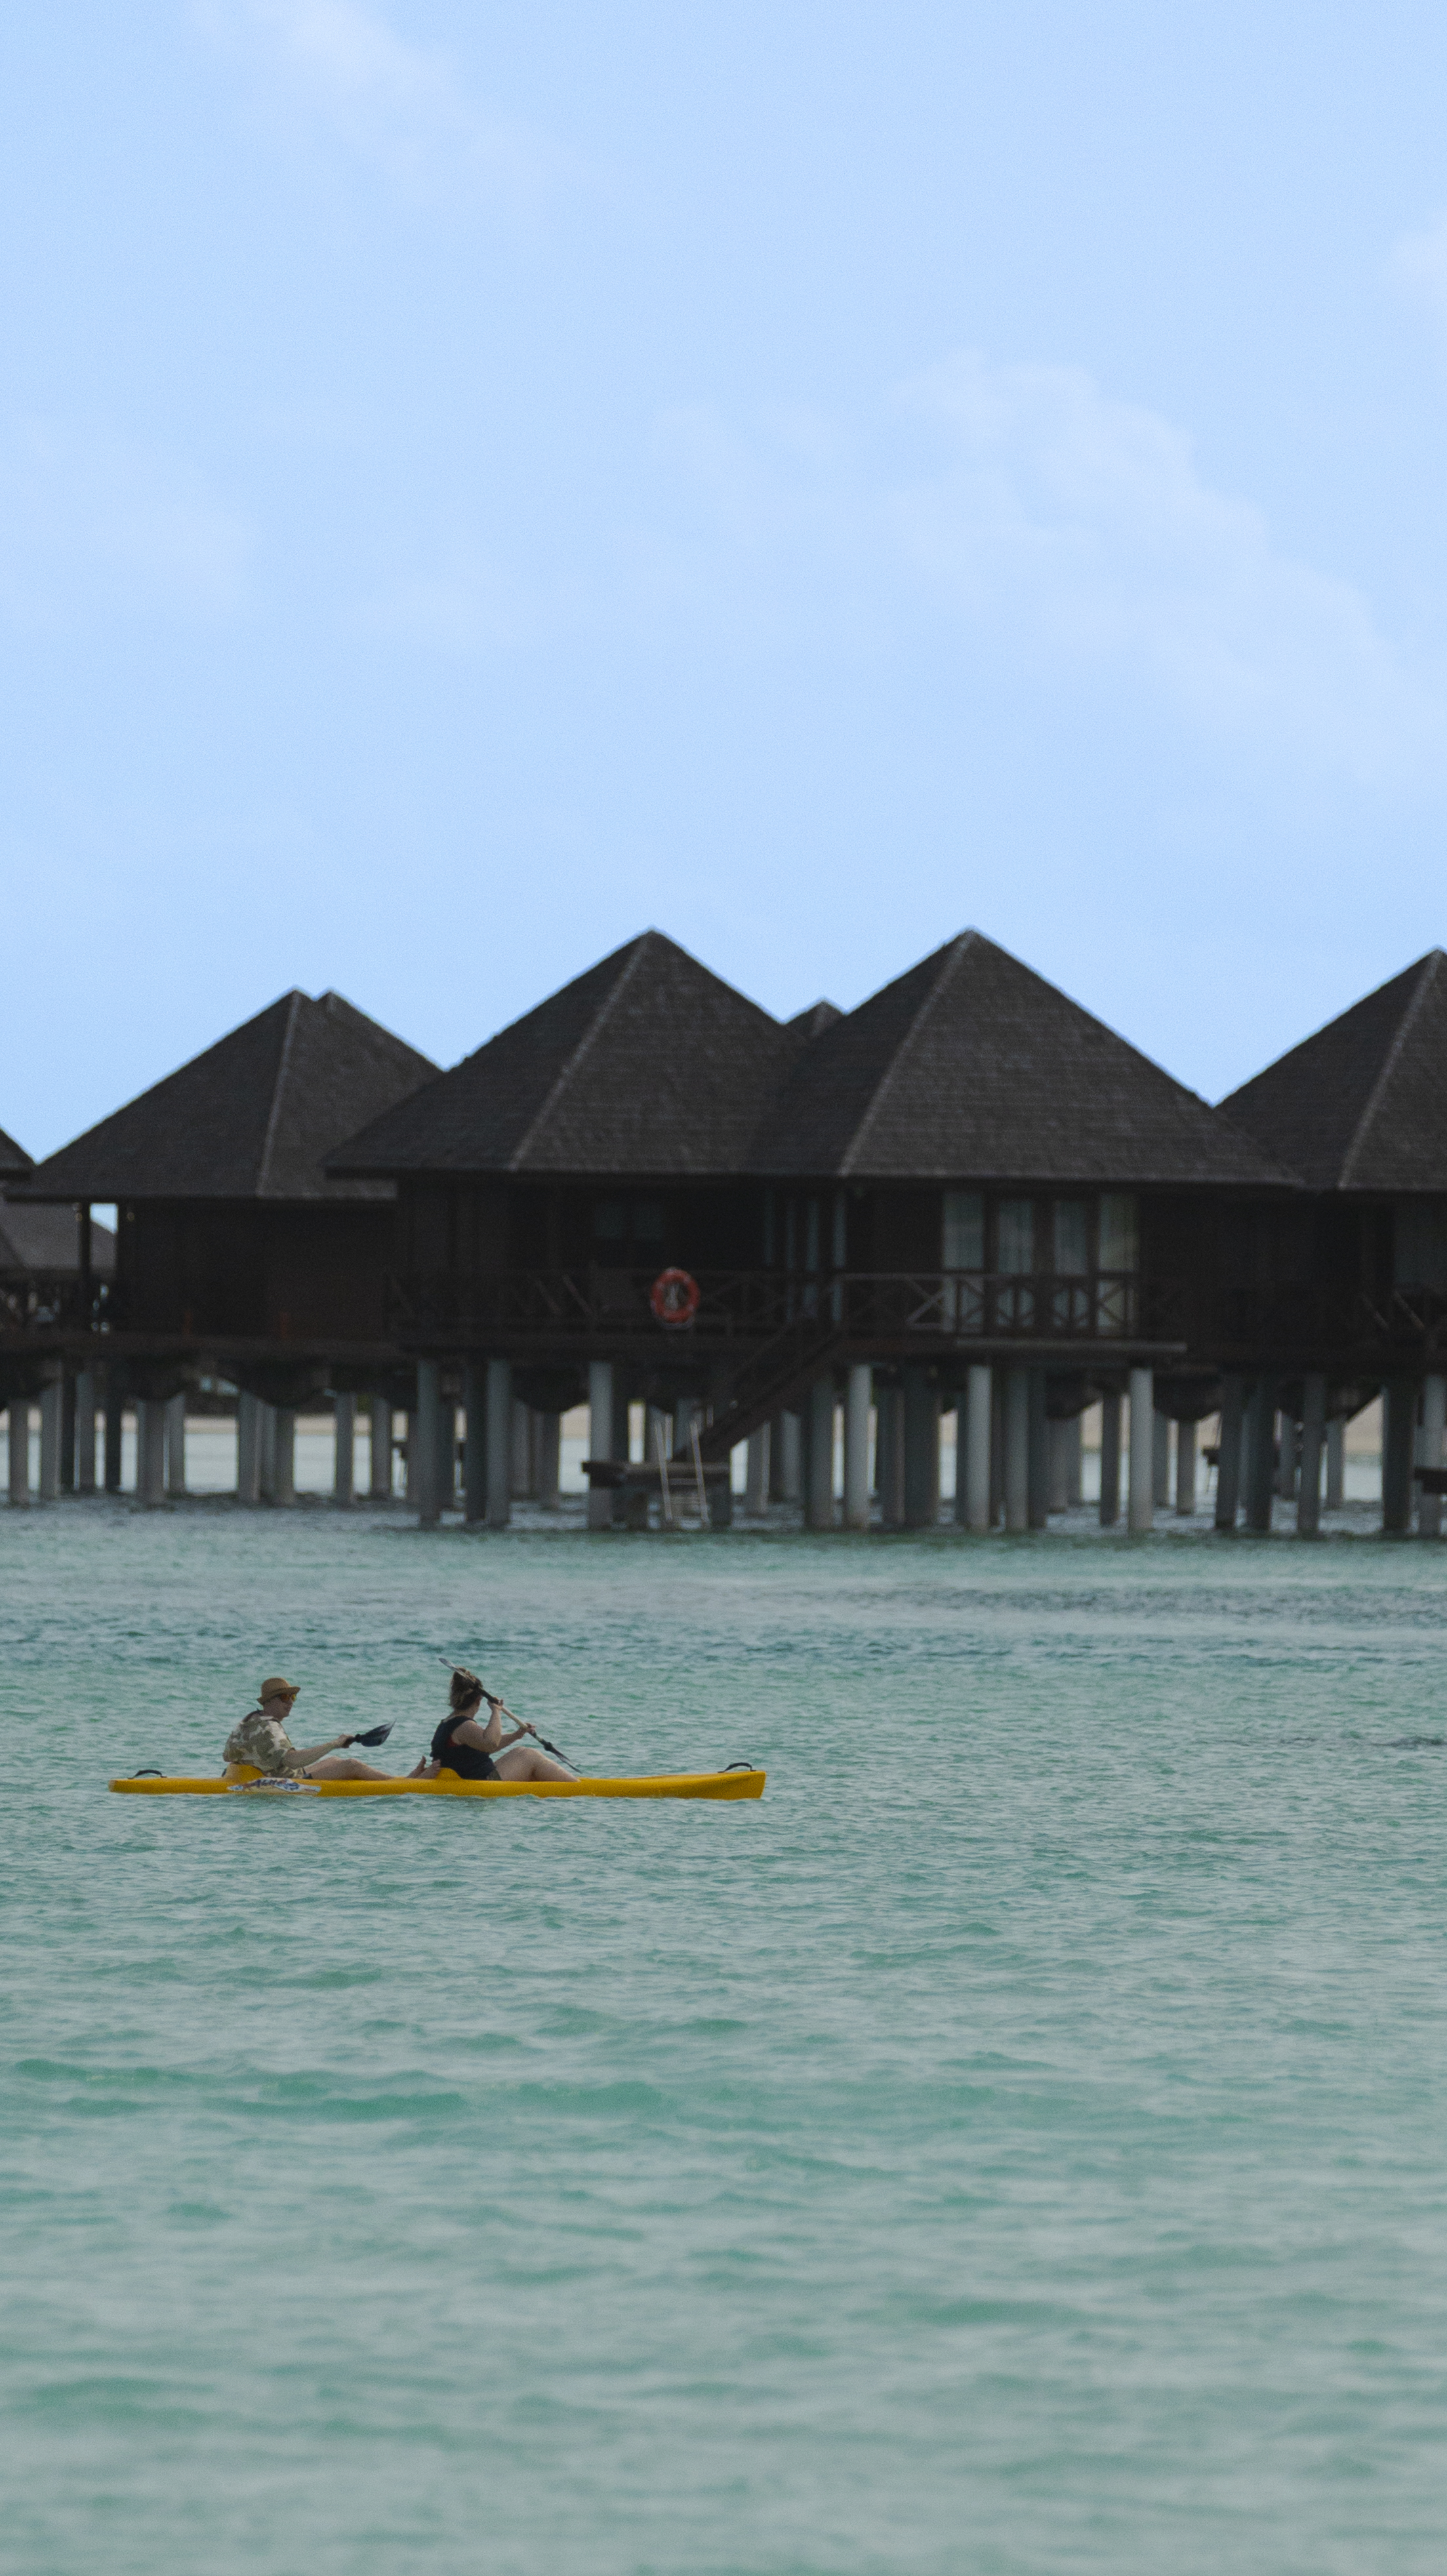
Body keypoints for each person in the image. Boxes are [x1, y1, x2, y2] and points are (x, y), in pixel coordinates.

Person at [411, 1668, 575, 1783]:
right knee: (529, 1755)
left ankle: (562, 1786)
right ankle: (577, 1789)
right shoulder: (465, 1726)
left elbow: (484, 1747)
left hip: (472, 1778)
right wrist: (496, 1711)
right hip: (484, 1781)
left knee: (521, 1752)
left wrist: (517, 1735)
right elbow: (490, 1743)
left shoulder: (448, 1723)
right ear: (479, 1700)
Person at [222, 1678, 393, 1782]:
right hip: (284, 1783)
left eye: (293, 1697)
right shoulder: (270, 1727)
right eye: (284, 1697)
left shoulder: (247, 1721)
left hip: (256, 1776)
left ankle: (405, 1779)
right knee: (352, 1765)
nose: (290, 1702)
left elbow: (227, 1756)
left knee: (334, 1761)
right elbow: (292, 1761)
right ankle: (405, 1784)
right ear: (267, 1702)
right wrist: (333, 1743)